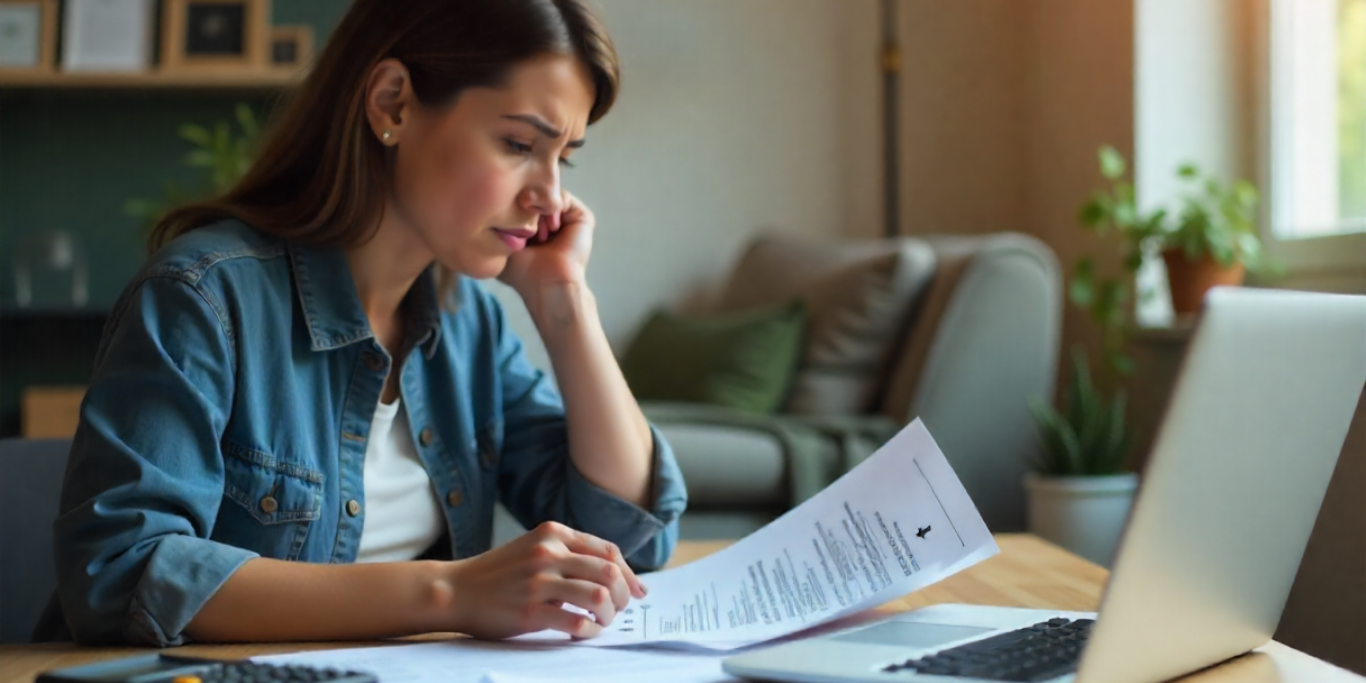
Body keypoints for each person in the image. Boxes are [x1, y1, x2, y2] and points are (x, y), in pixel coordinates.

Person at [45, 0, 687, 647]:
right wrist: (450, 593)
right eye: (519, 144)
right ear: (392, 104)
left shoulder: (470, 326)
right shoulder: (205, 297)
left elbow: (628, 535)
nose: (548, 197)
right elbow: (121, 570)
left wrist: (564, 300)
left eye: (563, 158)